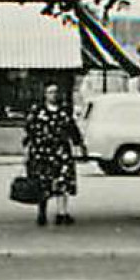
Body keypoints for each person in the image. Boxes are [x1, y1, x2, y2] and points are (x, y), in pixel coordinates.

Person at [22, 81, 85, 227]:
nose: (53, 95)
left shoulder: (63, 111)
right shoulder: (37, 111)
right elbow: (29, 131)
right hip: (41, 152)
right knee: (42, 184)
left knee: (62, 182)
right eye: (50, 92)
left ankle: (61, 213)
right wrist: (27, 149)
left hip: (61, 152)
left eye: (55, 92)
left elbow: (72, 129)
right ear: (44, 94)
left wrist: (78, 144)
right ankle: (42, 213)